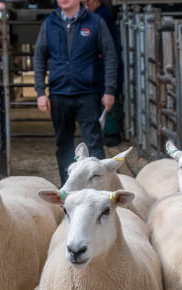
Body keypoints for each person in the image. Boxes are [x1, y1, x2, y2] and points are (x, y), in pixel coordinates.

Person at [33, 0, 118, 185]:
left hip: (87, 93)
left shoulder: (95, 22)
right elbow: (39, 57)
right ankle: (69, 188)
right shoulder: (49, 23)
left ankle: (99, 188)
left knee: (93, 143)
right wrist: (40, 91)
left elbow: (110, 55)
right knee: (63, 143)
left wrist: (109, 89)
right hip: (59, 94)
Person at [84, 0, 122, 147]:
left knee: (109, 97)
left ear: (94, 1)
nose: (86, 7)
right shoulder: (102, 14)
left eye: (88, 3)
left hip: (105, 64)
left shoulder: (101, 16)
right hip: (103, 64)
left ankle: (111, 133)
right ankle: (107, 132)